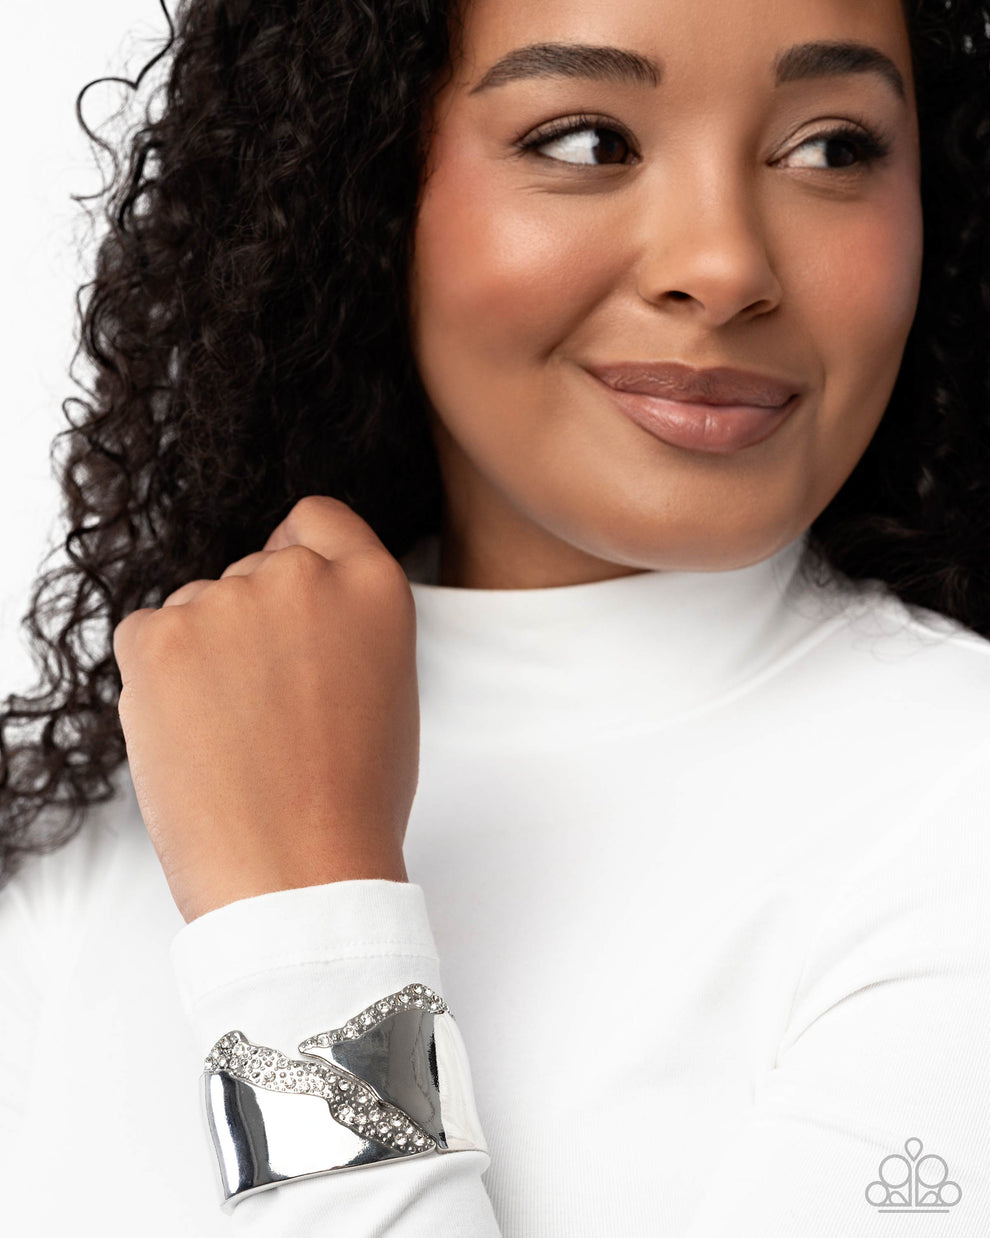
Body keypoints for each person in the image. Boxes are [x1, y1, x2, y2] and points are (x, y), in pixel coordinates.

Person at [1, 0, 988, 1232]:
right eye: (588, 141)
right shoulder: (134, 756)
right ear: (366, 183)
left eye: (833, 148)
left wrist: (301, 919)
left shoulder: (958, 798)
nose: (726, 264)